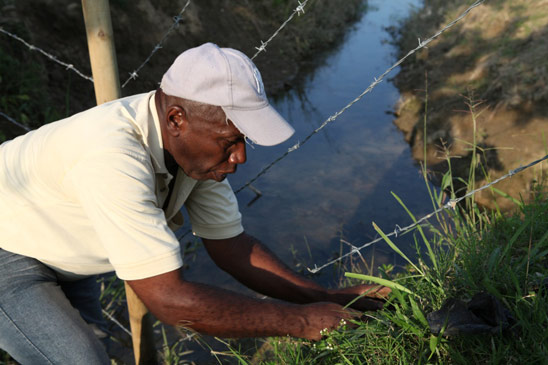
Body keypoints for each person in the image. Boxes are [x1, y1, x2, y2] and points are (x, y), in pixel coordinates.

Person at [0, 43, 389, 363]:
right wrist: (301, 322)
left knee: (88, 343)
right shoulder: (111, 157)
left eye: (244, 142)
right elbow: (168, 299)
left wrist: (325, 297)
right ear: (176, 119)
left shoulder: (193, 152)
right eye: (229, 142)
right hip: (7, 251)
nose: (240, 158)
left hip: (58, 247)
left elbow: (232, 248)